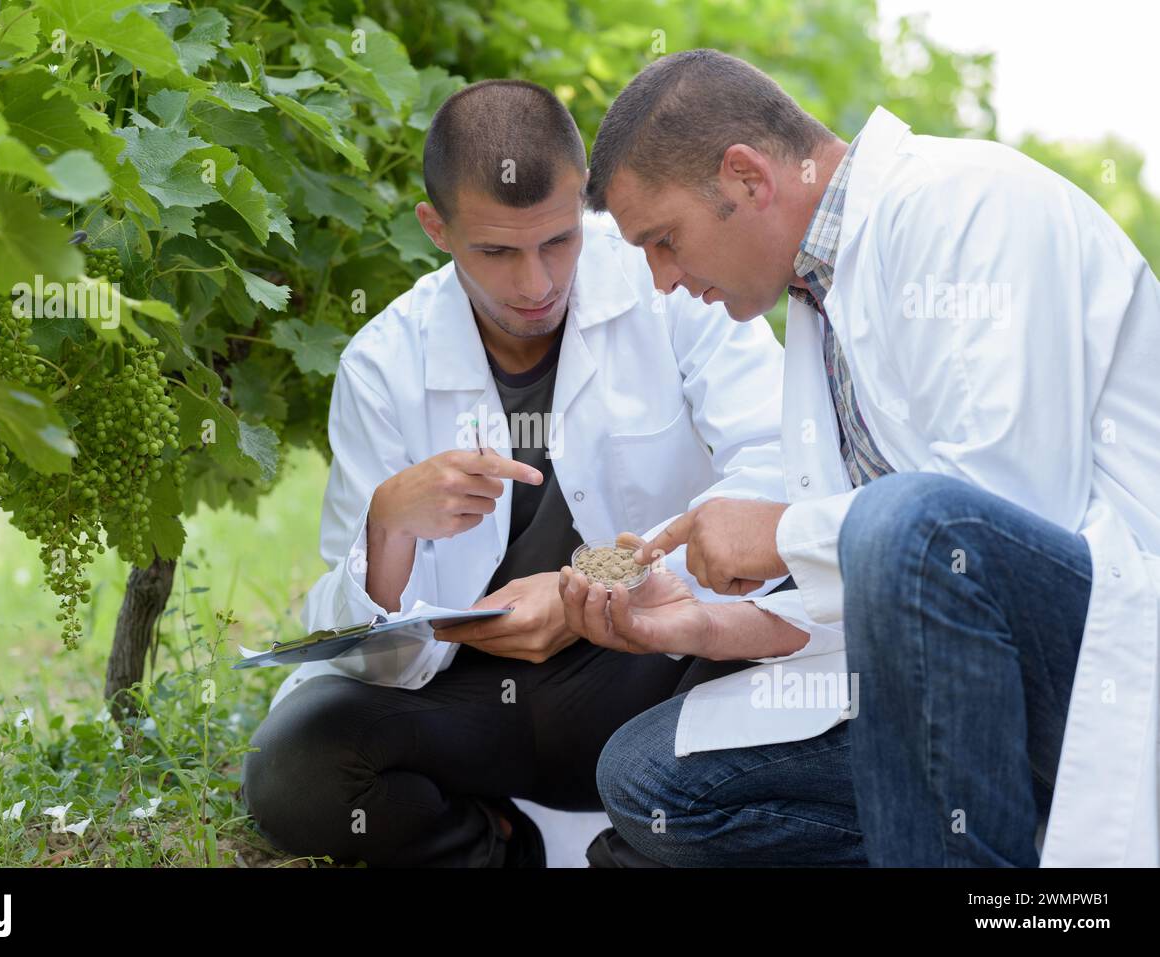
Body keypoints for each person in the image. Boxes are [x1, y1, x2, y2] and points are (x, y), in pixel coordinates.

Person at [563, 48, 1160, 867]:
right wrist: (715, 624)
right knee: (647, 781)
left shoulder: (970, 205)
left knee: (907, 522)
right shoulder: (818, 297)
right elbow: (889, 586)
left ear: (743, 176)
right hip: (965, 681)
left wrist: (780, 533)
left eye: (664, 241)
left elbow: (984, 524)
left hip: (1108, 653)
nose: (662, 280)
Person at [240, 79, 811, 867]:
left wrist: (591, 586)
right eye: (497, 252)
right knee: (295, 766)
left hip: (651, 674)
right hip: (473, 701)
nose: (536, 283)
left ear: (587, 203)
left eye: (559, 241)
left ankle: (634, 851)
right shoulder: (382, 364)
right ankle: (502, 850)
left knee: (794, 631)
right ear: (436, 228)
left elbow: (782, 468)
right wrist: (387, 531)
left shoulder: (674, 284)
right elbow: (364, 655)